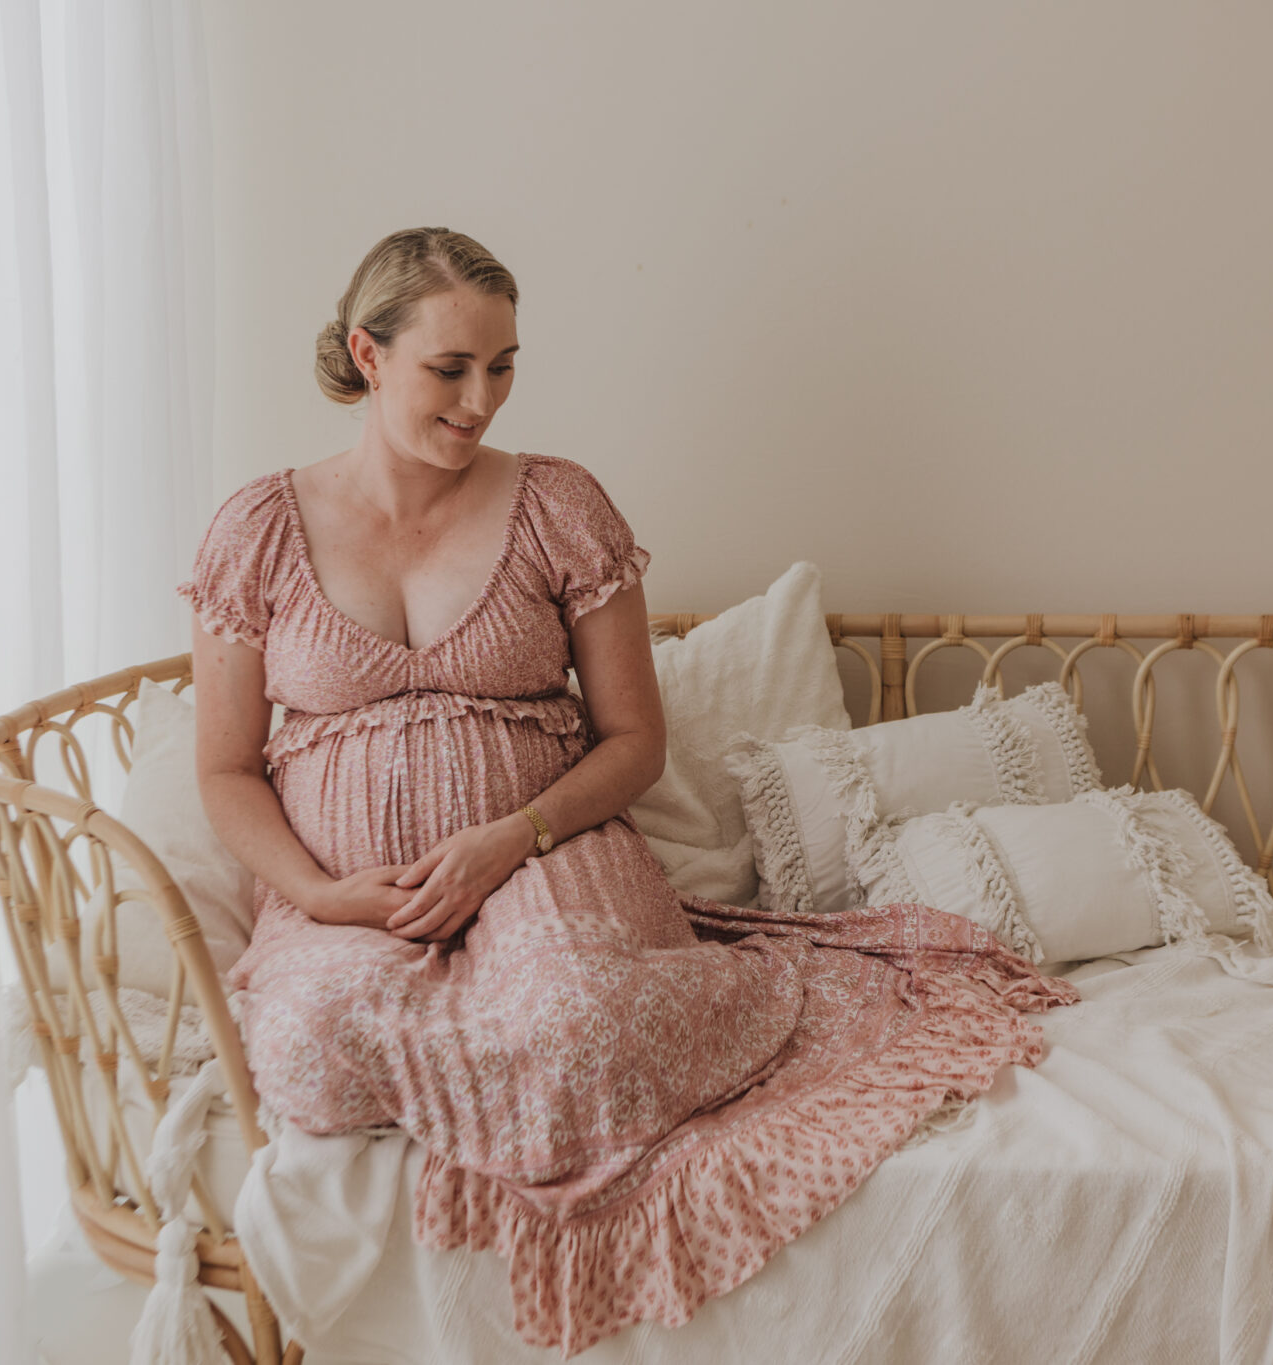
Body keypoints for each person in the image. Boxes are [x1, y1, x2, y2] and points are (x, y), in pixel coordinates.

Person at [178, 226, 1077, 1355]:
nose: (481, 400)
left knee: (579, 1024)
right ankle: (469, 1047)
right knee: (306, 1049)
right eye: (448, 369)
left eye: (502, 366)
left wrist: (506, 840)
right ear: (367, 352)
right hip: (352, 890)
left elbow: (632, 740)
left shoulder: (558, 505)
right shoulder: (258, 531)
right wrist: (319, 895)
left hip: (547, 850)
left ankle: (676, 1022)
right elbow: (221, 768)